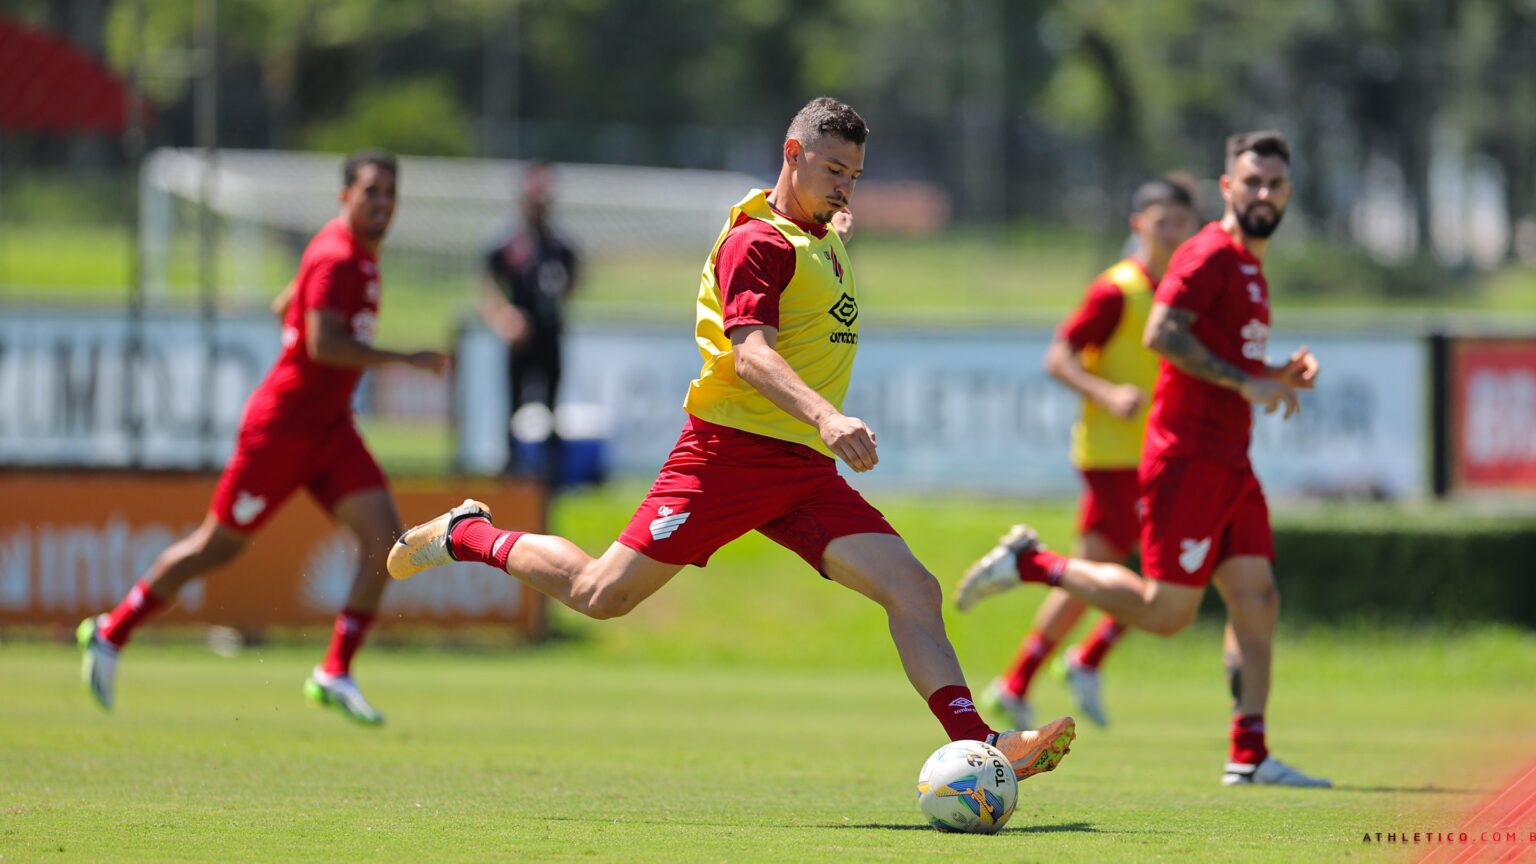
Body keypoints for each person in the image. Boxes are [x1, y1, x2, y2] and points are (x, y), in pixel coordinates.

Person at [389, 97, 1076, 780]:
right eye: (833, 169)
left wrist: (836, 213)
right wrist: (827, 418)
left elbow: (823, 228)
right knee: (602, 595)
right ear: (791, 154)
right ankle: (469, 534)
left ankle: (986, 745)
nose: (844, 186)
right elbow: (750, 353)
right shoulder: (758, 244)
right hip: (727, 456)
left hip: (800, 471)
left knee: (914, 589)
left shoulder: (817, 226)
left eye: (855, 175)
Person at [956, 130, 1332, 788]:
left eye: (1275, 183)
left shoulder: (1249, 264)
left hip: (1231, 461)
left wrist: (1276, 374)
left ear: (1289, 192)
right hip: (1187, 457)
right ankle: (1033, 563)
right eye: (1252, 182)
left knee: (1257, 597)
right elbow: (1164, 334)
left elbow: (1228, 361)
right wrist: (1249, 382)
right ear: (1227, 188)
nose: (1264, 193)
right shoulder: (1208, 253)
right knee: (1166, 614)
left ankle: (1249, 753)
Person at [78, 150, 451, 726]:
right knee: (217, 547)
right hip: (281, 431)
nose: (381, 203)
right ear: (343, 196)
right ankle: (111, 631)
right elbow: (324, 345)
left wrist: (294, 305)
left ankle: (335, 671)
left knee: (384, 538)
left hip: (329, 429)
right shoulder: (337, 256)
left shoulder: (352, 253)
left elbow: (288, 303)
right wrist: (408, 357)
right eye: (371, 191)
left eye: (389, 194)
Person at [979, 178, 1198, 732]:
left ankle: (1019, 679)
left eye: (1181, 221)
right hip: (1117, 458)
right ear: (1138, 224)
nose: (1171, 232)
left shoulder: (1181, 290)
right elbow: (1059, 358)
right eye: (1161, 221)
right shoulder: (1117, 290)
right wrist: (1107, 394)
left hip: (1157, 457)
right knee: (1162, 577)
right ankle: (1083, 659)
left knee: (1092, 575)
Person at [479, 162, 580, 477]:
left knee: (551, 403)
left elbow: (575, 275)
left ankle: (552, 468)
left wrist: (558, 304)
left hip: (550, 332)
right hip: (520, 336)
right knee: (514, 403)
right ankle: (512, 466)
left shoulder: (559, 244)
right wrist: (504, 317)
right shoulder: (507, 243)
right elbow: (487, 285)